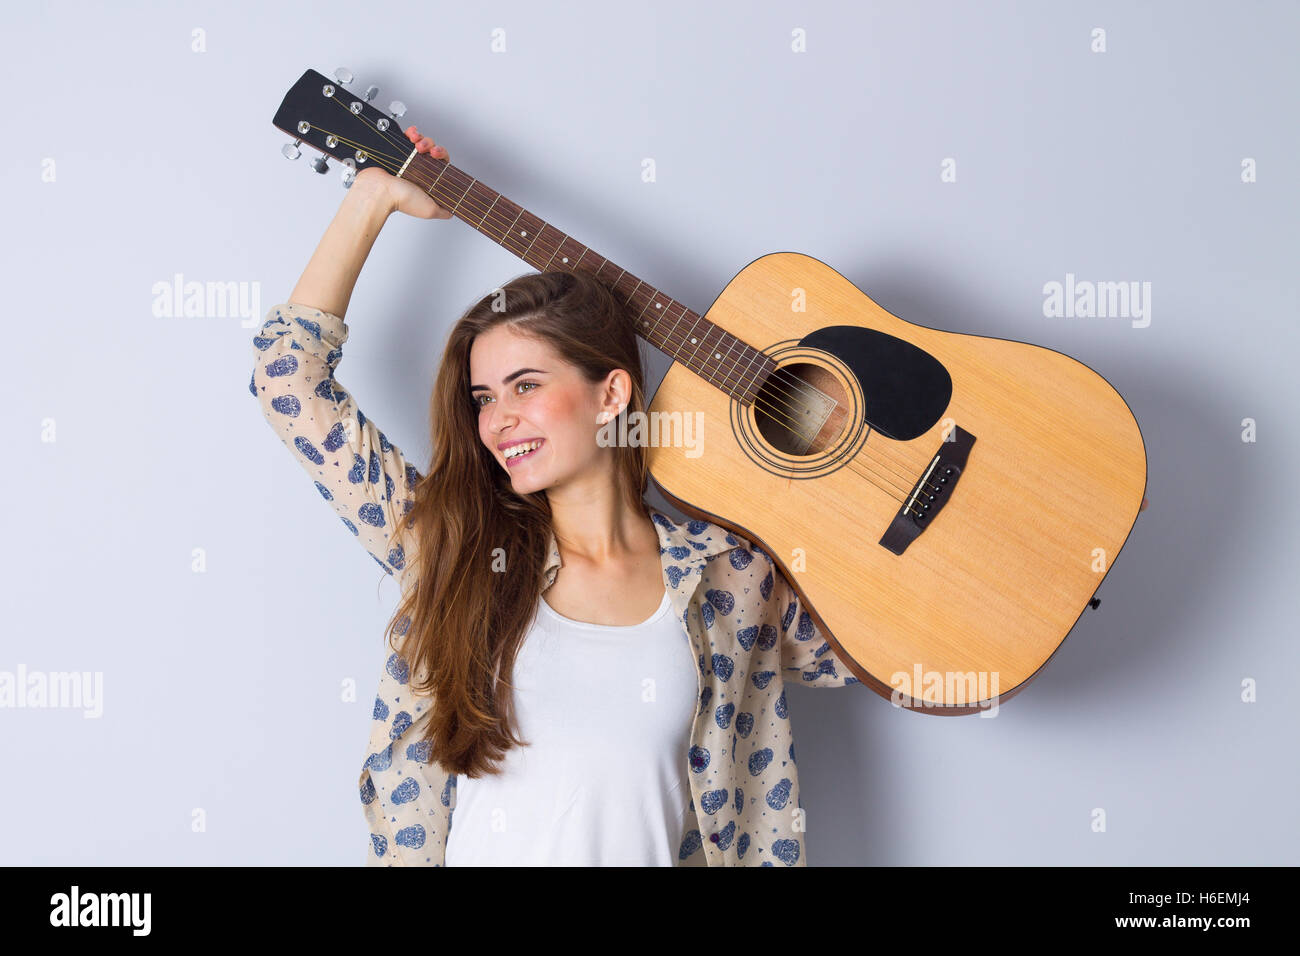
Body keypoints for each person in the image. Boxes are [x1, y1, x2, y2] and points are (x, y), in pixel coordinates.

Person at [250, 128, 1150, 867]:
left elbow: (930, 636)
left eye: (525, 385)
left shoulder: (732, 581)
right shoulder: (448, 549)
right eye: (484, 398)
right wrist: (373, 197)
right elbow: (290, 385)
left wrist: (1055, 528)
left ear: (612, 395)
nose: (498, 420)